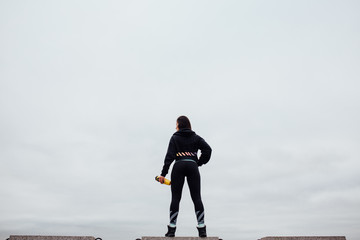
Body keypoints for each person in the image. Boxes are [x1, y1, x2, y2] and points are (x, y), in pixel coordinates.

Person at [158, 116, 212, 238]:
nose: (175, 127)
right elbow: (208, 150)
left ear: (179, 125)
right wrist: (198, 162)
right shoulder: (196, 137)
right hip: (192, 166)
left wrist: (163, 174)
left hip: (179, 166)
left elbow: (169, 157)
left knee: (176, 198)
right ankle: (202, 229)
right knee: (197, 198)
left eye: (176, 124)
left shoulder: (175, 137)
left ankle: (171, 230)